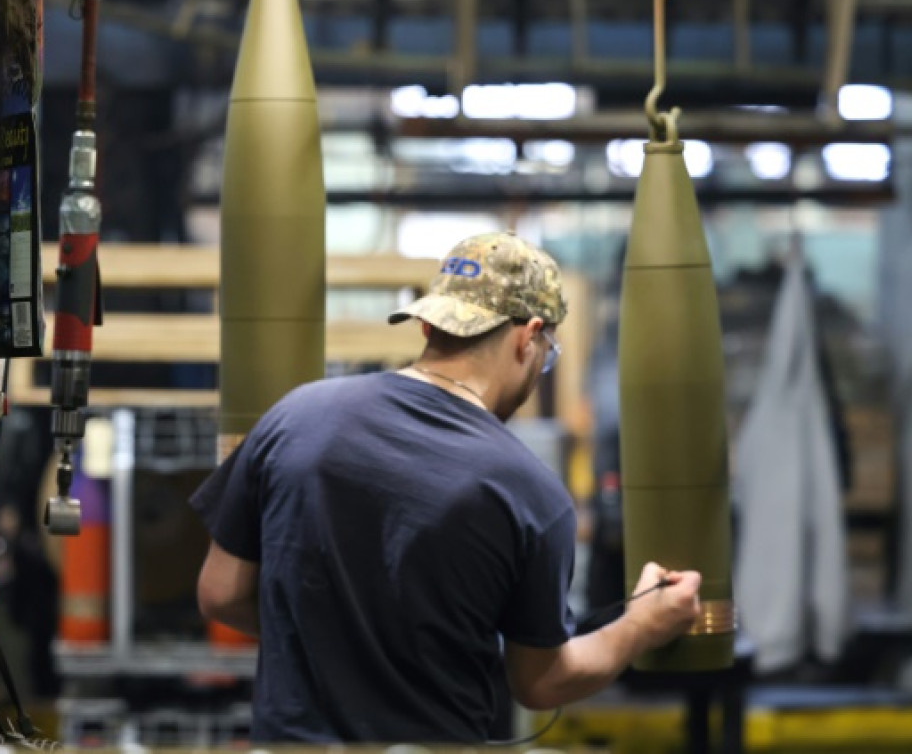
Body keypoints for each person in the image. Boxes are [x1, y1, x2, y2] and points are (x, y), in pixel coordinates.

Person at [190, 232, 702, 743]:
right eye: (546, 354)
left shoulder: (295, 416)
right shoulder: (529, 494)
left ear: (430, 321)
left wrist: (329, 642)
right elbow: (542, 680)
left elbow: (220, 593)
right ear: (529, 336)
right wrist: (642, 626)